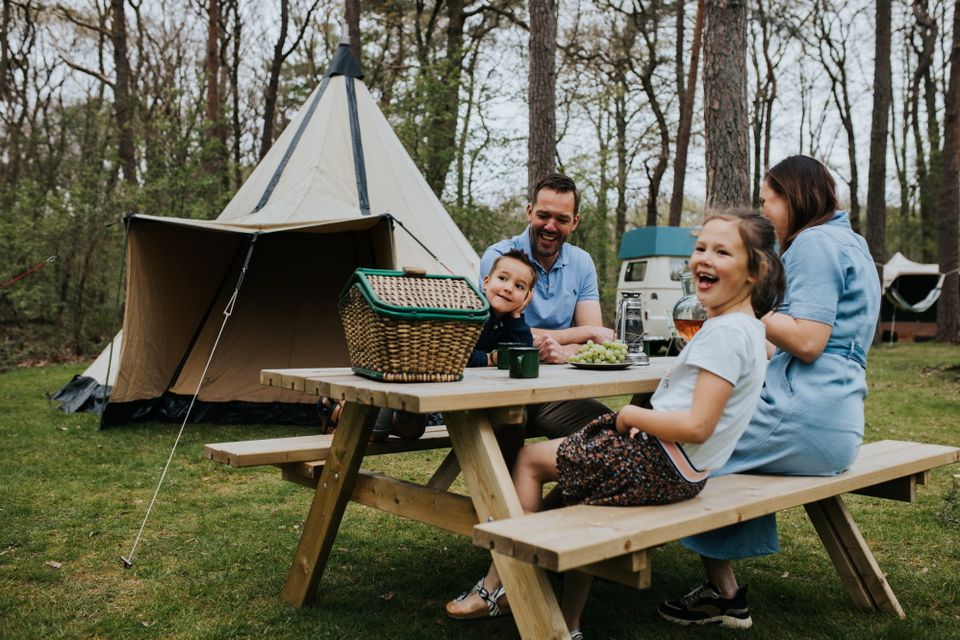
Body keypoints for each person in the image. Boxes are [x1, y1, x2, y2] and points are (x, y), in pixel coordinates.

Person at [446, 210, 787, 634]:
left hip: (656, 462)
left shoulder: (723, 334)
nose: (704, 259)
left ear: (755, 271)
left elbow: (698, 424)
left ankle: (505, 586)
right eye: (700, 248)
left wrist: (631, 413)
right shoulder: (750, 329)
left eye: (722, 251)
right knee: (580, 494)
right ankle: (567, 624)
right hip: (687, 470)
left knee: (531, 460)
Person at [658, 155, 882, 630]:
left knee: (688, 446)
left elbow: (807, 339)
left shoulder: (815, 243)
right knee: (715, 439)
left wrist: (740, 303)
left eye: (768, 201)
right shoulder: (853, 243)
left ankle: (715, 591)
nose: (765, 213)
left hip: (802, 415)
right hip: (837, 417)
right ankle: (722, 589)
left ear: (793, 196)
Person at [479, 173, 615, 442]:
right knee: (510, 422)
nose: (550, 226)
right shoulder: (500, 258)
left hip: (557, 391)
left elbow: (597, 340)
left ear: (574, 222)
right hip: (506, 388)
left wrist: (564, 352)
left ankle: (557, 482)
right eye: (543, 215)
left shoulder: (582, 262)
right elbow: (505, 335)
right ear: (529, 212)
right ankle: (517, 483)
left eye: (562, 219)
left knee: (610, 432)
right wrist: (580, 333)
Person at [466, 249, 536, 367]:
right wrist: (490, 359)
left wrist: (516, 315)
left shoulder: (513, 322)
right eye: (502, 278)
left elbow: (524, 354)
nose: (508, 288)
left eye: (519, 286)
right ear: (486, 282)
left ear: (527, 297)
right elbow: (450, 354)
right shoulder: (472, 311)